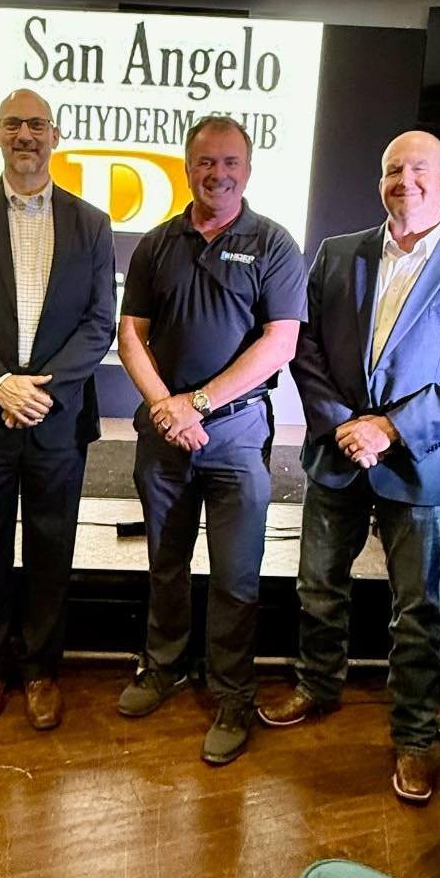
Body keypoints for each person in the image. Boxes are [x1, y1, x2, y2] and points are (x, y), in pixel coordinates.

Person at [262, 131, 440, 803]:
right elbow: (305, 345)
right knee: (318, 586)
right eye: (393, 169)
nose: (406, 180)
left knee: (417, 607)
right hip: (337, 451)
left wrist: (390, 428)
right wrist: (343, 423)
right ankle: (317, 686)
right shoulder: (337, 253)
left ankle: (413, 734)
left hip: (419, 461)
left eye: (420, 169)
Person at [116, 114, 307, 766]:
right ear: (186, 166)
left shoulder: (274, 243)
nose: (217, 174)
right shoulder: (156, 243)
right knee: (166, 563)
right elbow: (131, 335)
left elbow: (279, 342)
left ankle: (232, 692)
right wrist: (166, 409)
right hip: (165, 438)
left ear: (247, 171)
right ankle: (163, 665)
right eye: (205, 162)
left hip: (236, 437)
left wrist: (196, 403)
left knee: (235, 575)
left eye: (230, 163)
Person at [0, 88, 115, 733]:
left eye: (36, 125)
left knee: (51, 545)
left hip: (56, 419)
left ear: (55, 135)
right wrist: (0, 384)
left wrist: (39, 389)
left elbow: (99, 323)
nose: (25, 135)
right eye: (14, 124)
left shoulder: (91, 221)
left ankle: (40, 670)